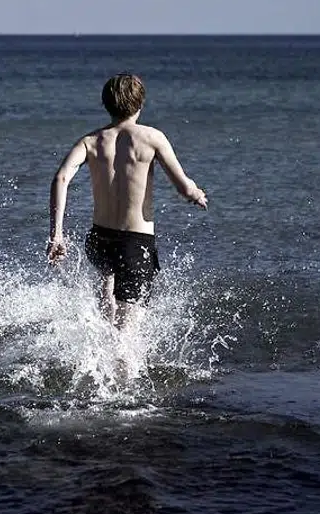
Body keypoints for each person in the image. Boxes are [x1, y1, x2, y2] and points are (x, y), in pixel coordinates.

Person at [46, 73, 207, 329]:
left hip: (99, 240)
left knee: (108, 287)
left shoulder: (91, 141)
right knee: (127, 332)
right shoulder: (152, 138)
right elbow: (183, 187)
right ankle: (121, 366)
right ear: (140, 104)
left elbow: (61, 178)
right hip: (135, 243)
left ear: (105, 104)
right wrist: (197, 194)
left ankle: (99, 347)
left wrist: (57, 235)